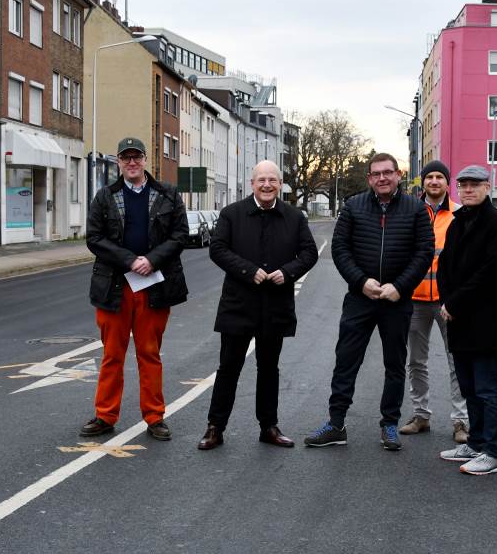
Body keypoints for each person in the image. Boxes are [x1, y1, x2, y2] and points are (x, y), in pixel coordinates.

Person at [304, 153, 433, 451]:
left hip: (396, 301)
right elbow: (340, 249)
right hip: (360, 299)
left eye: (388, 172)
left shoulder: (415, 209)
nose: (382, 178)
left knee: (394, 365)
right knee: (346, 361)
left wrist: (399, 287)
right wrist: (361, 282)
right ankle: (336, 424)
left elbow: (424, 251)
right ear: (369, 179)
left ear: (398, 175)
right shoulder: (353, 206)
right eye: (376, 174)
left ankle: (389, 424)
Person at [198, 161, 319, 450]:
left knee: (269, 368)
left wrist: (288, 272)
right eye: (261, 180)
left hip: (275, 304)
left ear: (280, 184)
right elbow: (218, 249)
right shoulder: (232, 214)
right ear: (252, 183)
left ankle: (269, 426)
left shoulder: (294, 216)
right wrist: (248, 270)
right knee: (229, 367)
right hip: (239, 304)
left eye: (273, 180)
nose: (267, 185)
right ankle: (215, 427)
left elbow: (309, 253)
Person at [79, 137, 189, 441]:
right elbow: (95, 238)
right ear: (118, 162)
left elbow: (180, 235)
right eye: (125, 158)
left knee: (149, 353)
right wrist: (130, 261)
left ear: (145, 160)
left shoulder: (168, 195)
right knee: (112, 355)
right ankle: (105, 415)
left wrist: (151, 261)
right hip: (114, 286)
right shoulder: (105, 196)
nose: (131, 163)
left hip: (154, 286)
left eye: (136, 157)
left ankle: (154, 416)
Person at [435, 165, 497, 475]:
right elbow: (444, 267)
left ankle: (494, 452)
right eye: (463, 184)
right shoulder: (457, 223)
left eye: (474, 184)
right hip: (460, 319)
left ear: (487, 187)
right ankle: (477, 441)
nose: (467, 189)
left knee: (487, 387)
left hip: (486, 321)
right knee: (469, 386)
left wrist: (454, 302)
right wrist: (446, 300)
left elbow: (491, 273)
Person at [399, 160, 468, 444]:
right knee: (415, 361)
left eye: (440, 177)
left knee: (457, 361)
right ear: (423, 182)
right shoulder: (411, 212)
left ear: (447, 183)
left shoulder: (461, 215)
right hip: (414, 299)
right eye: (430, 177)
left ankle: (461, 422)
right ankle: (421, 416)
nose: (435, 182)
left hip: (448, 301)